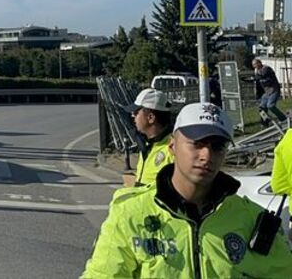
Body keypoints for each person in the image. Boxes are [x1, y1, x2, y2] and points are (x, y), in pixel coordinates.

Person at [82, 103, 292, 277]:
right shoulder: (130, 213)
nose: (206, 155)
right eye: (197, 143)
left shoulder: (252, 218)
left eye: (217, 147)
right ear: (172, 147)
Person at [123, 87, 174, 187]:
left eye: (136, 112)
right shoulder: (146, 143)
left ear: (150, 117)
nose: (133, 115)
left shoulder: (173, 147)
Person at [253, 58, 288, 125]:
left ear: (259, 63)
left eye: (255, 64)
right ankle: (265, 122)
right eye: (253, 65)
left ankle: (283, 119)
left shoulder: (266, 68)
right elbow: (258, 84)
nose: (254, 66)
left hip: (274, 90)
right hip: (267, 92)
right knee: (262, 107)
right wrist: (258, 95)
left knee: (270, 106)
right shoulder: (257, 71)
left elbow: (263, 75)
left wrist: (256, 77)